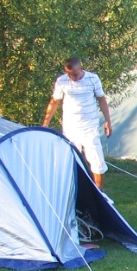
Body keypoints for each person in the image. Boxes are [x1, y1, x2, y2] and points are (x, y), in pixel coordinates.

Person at [43, 57, 112, 190]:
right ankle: (73, 191)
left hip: (89, 126)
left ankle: (100, 192)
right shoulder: (62, 81)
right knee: (71, 159)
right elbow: (54, 102)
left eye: (74, 74)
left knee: (96, 160)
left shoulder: (93, 79)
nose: (72, 77)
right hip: (70, 127)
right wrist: (45, 123)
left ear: (81, 69)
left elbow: (101, 100)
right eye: (69, 74)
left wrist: (108, 122)